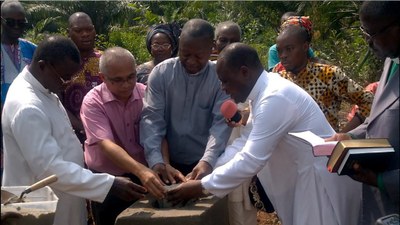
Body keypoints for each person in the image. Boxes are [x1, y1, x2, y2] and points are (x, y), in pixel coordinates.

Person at [167, 43, 362, 225]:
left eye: (225, 81)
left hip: (318, 183)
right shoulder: (263, 92)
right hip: (304, 179)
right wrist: (210, 169)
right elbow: (244, 142)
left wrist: (202, 187)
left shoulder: (274, 97)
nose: (223, 88)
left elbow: (251, 159)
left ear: (244, 72)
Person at [1, 35, 147, 225]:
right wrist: (109, 184)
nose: (67, 83)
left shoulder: (43, 88)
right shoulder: (28, 106)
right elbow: (49, 169)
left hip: (65, 194)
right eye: (64, 77)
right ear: (43, 65)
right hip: (42, 206)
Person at [327, 2, 399, 224]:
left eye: (374, 33)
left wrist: (380, 180)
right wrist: (349, 136)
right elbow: (378, 118)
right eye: (364, 32)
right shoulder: (390, 60)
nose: (368, 42)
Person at [80, 47, 167, 225]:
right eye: (118, 80)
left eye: (131, 77)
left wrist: (163, 163)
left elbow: (159, 133)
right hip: (110, 179)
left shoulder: (146, 94)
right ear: (103, 78)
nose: (126, 84)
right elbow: (106, 144)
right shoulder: (92, 102)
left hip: (145, 175)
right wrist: (142, 171)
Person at [140, 18, 232, 183]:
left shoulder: (221, 78)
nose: (191, 61)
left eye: (198, 56)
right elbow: (152, 121)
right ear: (179, 45)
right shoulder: (160, 74)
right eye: (185, 54)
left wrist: (207, 162)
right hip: (168, 163)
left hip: (208, 162)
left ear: (212, 48)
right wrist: (156, 161)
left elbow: (220, 125)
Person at [273, 16, 374, 132]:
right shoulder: (278, 77)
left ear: (305, 47)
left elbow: (368, 101)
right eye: (279, 51)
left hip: (324, 146)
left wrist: (343, 135)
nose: (283, 55)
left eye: (289, 49)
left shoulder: (328, 74)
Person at [1, 0, 36, 186]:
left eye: (21, 23)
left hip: (26, 120)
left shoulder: (31, 49)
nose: (16, 27)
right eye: (10, 22)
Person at [59, 12, 102, 143]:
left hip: (103, 133)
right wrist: (80, 125)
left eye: (89, 29)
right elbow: (54, 100)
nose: (85, 34)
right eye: (78, 30)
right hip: (68, 135)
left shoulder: (106, 61)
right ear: (69, 32)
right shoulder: (59, 64)